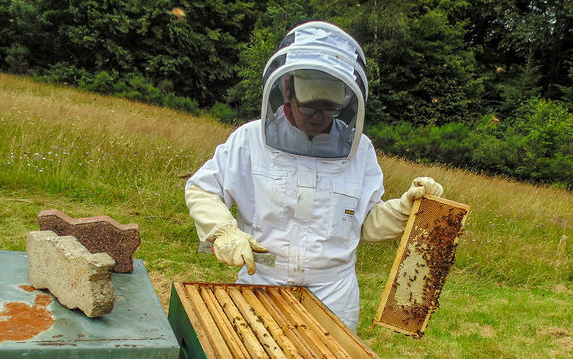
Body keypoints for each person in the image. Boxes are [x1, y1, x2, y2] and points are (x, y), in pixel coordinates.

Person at [185, 21, 443, 330]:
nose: (318, 118)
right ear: (288, 90)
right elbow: (202, 189)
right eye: (310, 108)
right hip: (264, 280)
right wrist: (224, 231)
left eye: (329, 109)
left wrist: (403, 210)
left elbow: (367, 223)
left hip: (333, 293)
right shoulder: (250, 140)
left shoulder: (359, 151)